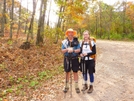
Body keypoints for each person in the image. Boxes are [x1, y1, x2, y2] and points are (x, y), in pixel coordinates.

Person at [61, 28, 80, 93]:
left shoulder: (76, 41)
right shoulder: (64, 42)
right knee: (67, 72)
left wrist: (73, 50)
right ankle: (66, 86)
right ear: (67, 34)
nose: (70, 34)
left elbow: (79, 50)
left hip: (75, 59)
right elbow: (62, 51)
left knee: (75, 72)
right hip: (67, 59)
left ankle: (76, 87)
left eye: (72, 33)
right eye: (69, 33)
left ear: (73, 34)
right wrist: (67, 49)